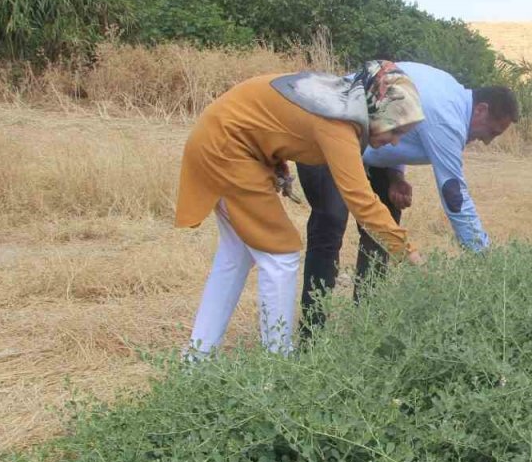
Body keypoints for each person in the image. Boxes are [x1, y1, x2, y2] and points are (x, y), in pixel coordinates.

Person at [176, 62, 426, 358]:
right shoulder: (338, 121)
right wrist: (408, 252)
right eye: (396, 129)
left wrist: (275, 161)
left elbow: (273, 119)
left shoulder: (342, 105)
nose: (396, 142)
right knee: (280, 256)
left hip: (221, 142)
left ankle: (197, 357)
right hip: (225, 150)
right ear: (377, 106)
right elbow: (361, 200)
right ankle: (278, 362)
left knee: (236, 256)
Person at [296, 62, 518, 327]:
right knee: (330, 226)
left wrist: (395, 175)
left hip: (368, 143)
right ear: (481, 109)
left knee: (385, 223)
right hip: (326, 132)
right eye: (492, 131)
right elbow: (454, 196)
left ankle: (366, 325)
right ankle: (312, 330)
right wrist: (486, 261)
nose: (487, 141)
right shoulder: (448, 116)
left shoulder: (451, 96)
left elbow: (396, 126)